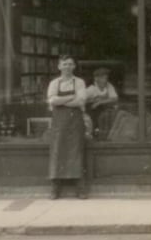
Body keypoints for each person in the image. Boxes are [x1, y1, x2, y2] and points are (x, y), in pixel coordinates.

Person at [46, 55, 88, 199]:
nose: (68, 67)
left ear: (74, 66)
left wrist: (60, 101)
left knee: (77, 152)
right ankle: (55, 188)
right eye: (64, 64)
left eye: (70, 64)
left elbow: (81, 100)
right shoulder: (54, 83)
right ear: (59, 66)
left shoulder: (80, 82)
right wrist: (71, 97)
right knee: (57, 151)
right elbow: (52, 100)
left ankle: (80, 189)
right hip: (59, 124)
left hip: (75, 124)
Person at [85, 66, 119, 140]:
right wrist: (93, 101)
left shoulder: (109, 86)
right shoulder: (91, 89)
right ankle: (95, 132)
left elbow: (114, 98)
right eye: (103, 77)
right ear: (96, 79)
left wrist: (100, 102)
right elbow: (82, 100)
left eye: (106, 77)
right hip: (93, 110)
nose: (105, 79)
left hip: (104, 108)